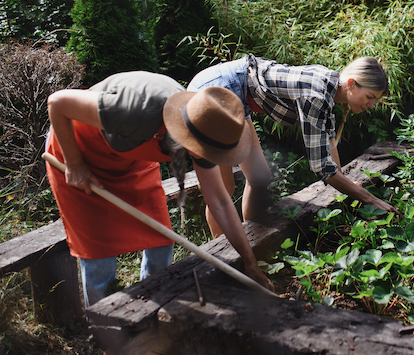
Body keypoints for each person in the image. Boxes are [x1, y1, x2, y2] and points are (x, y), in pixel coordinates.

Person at [45, 71, 274, 312]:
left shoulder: (207, 129)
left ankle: (148, 308)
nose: (210, 160)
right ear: (188, 136)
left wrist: (250, 263)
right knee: (99, 256)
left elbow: (219, 201)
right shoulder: (134, 110)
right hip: (79, 152)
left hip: (130, 159)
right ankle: (106, 329)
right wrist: (74, 164)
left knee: (161, 240)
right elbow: (57, 103)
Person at [187, 54, 398, 234]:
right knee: (229, 185)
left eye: (375, 100)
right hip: (218, 90)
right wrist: (371, 200)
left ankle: (251, 243)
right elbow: (322, 168)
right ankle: (224, 253)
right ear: (351, 84)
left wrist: (348, 185)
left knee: (256, 178)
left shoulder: (330, 88)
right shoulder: (316, 95)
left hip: (233, 89)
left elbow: (328, 141)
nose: (371, 105)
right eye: (370, 97)